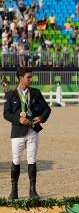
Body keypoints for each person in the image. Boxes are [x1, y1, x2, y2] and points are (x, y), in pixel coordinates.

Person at [3, 68, 51, 200]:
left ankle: (32, 191)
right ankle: (14, 191)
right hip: (17, 132)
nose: (31, 79)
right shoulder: (11, 94)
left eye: (31, 77)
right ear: (20, 78)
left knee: (32, 160)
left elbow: (47, 109)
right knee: (16, 161)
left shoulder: (35, 93)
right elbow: (6, 114)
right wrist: (18, 119)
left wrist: (41, 118)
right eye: (28, 77)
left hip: (32, 132)